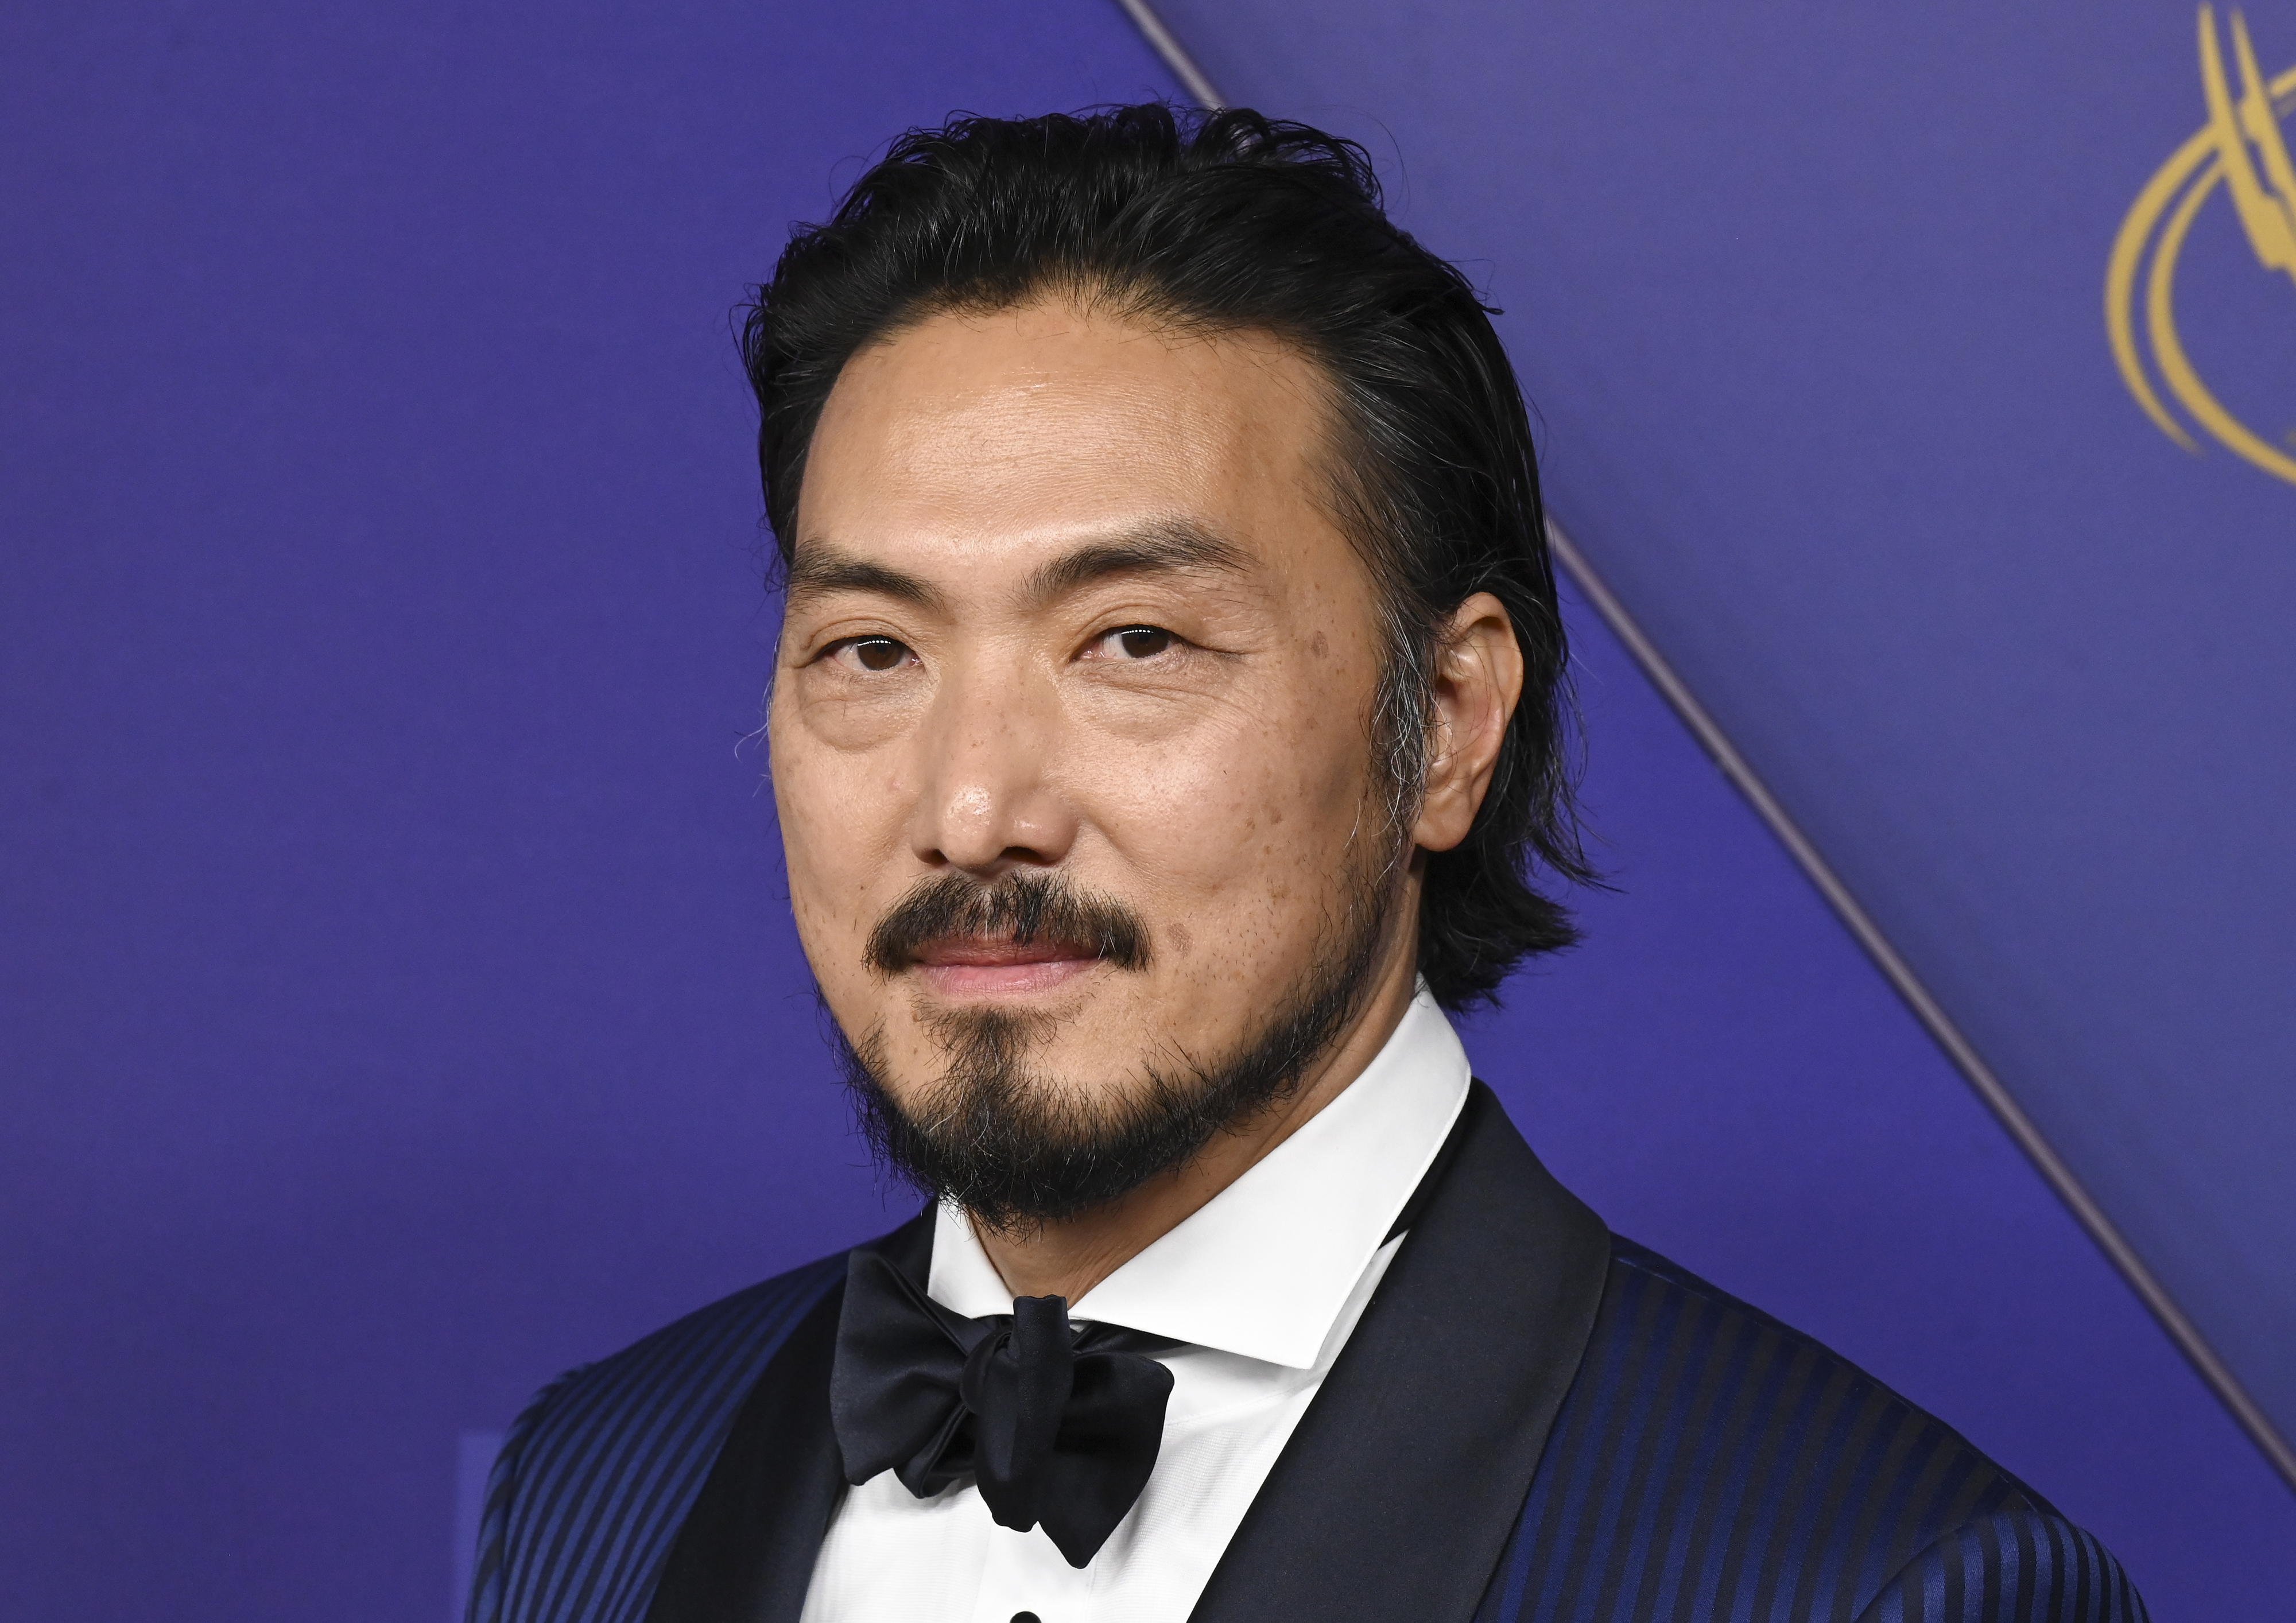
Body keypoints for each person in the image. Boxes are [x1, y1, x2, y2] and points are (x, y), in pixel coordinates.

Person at [464, 105, 2147, 1623]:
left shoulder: (1882, 1587)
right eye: (873, 650)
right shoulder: (598, 1486)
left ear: (1453, 722)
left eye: (1131, 641)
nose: (972, 807)